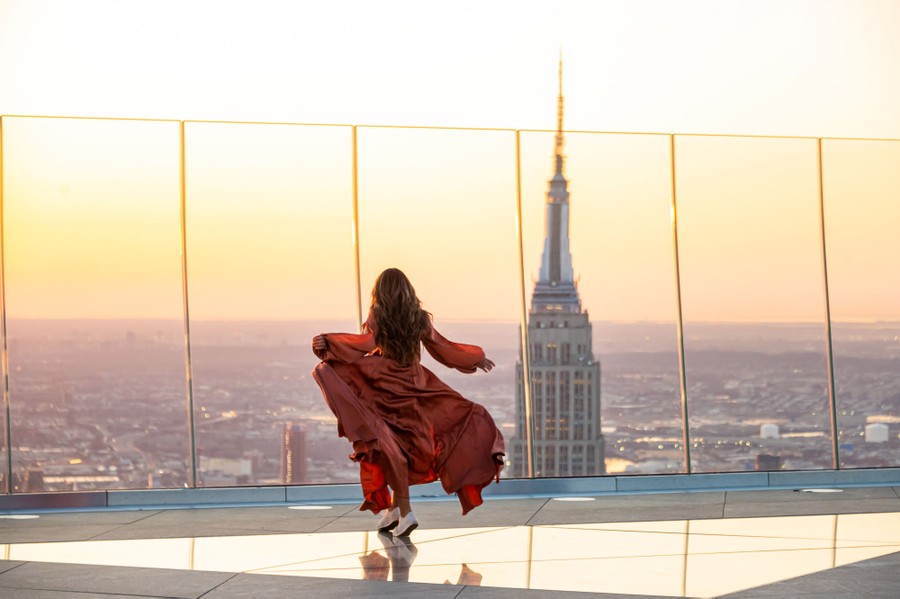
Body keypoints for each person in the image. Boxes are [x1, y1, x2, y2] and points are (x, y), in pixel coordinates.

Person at [312, 268, 505, 536]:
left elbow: (366, 344)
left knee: (389, 449)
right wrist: (474, 359)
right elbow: (442, 349)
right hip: (416, 386)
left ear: (379, 290)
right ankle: (394, 510)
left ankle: (406, 512)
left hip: (384, 387)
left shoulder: (378, 315)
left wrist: (329, 343)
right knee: (403, 450)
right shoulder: (419, 318)